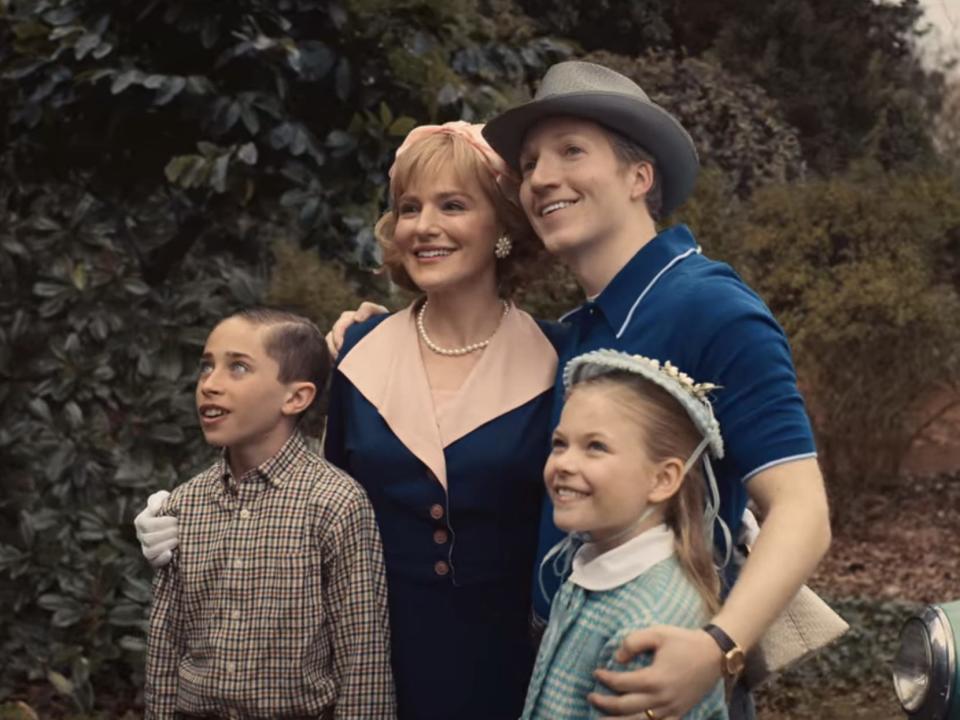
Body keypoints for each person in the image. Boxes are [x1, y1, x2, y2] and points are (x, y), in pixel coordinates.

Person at [326, 61, 832, 719]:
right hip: (560, 662)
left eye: (572, 152)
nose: (542, 178)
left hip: (658, 668)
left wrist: (718, 649)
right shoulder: (575, 335)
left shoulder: (712, 307)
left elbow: (803, 512)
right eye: (532, 162)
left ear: (638, 176)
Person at [139, 123, 565, 720]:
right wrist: (185, 520)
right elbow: (306, 497)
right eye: (409, 208)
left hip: (507, 670)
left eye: (453, 205)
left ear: (500, 225)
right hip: (369, 662)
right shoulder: (359, 353)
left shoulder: (559, 358)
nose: (424, 226)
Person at [143, 309, 395, 720]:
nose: (210, 384)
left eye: (238, 367)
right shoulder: (181, 506)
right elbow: (165, 644)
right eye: (206, 366)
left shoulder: (335, 503)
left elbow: (363, 658)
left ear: (296, 397)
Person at [520, 349, 727, 720]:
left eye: (595, 447)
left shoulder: (647, 627)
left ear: (662, 479)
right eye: (559, 443)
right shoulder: (598, 570)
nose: (564, 463)